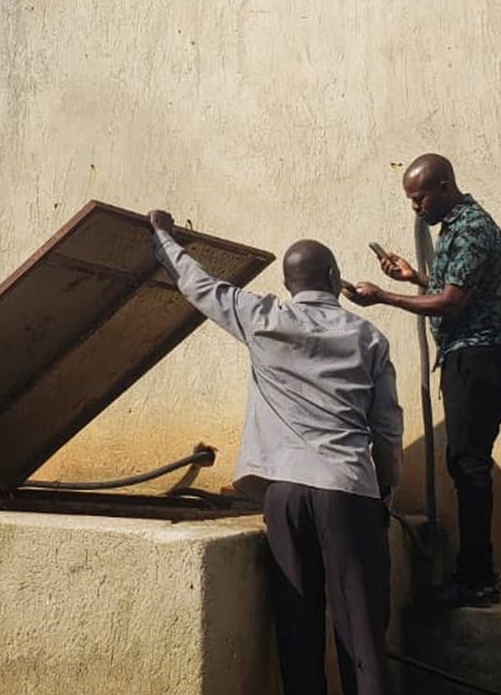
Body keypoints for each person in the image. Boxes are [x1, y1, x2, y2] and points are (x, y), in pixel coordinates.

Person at [148, 209, 404, 695]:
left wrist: (162, 237)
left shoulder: (260, 315)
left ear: (289, 283)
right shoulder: (368, 337)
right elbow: (387, 427)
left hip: (283, 496)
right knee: (361, 632)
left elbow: (200, 286)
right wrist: (386, 490)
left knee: (296, 624)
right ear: (333, 278)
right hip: (349, 491)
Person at [345, 153, 501, 609]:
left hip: (479, 359)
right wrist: (414, 277)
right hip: (473, 358)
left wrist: (384, 296)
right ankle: (474, 574)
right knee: (466, 463)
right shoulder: (456, 230)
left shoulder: (473, 228)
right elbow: (454, 288)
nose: (415, 209)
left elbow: (452, 303)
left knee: (469, 465)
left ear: (443, 185)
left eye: (419, 198)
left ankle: (477, 579)